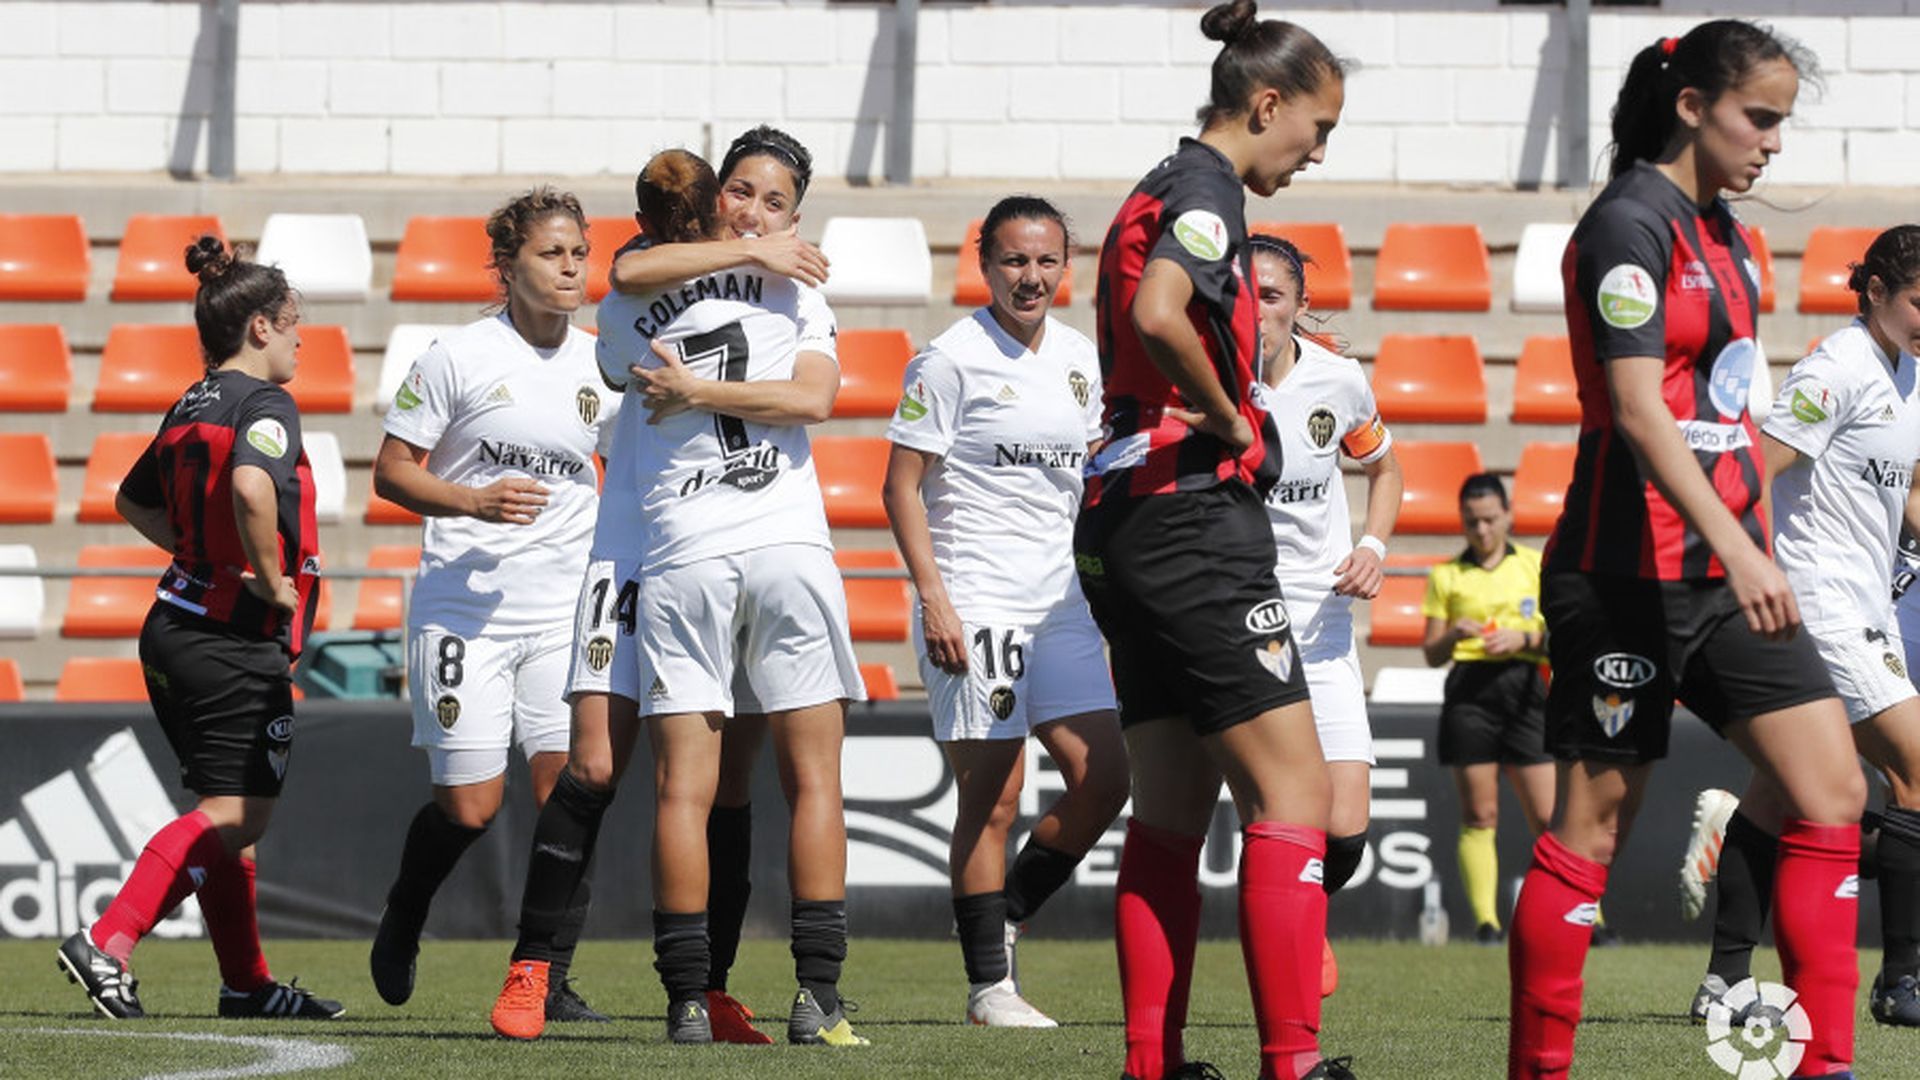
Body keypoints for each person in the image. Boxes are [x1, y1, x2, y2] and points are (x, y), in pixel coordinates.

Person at [1507, 21, 1864, 1080]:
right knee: (1592, 833)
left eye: (1783, 121)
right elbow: (1635, 410)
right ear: (1693, 107)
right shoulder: (1628, 222)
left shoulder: (1728, 236)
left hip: (1724, 573)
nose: (1775, 143)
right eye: (1761, 118)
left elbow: (1725, 410)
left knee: (1833, 793)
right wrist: (1742, 550)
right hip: (1623, 576)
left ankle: (1824, 1065)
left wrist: (1757, 545)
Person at [491, 135, 868, 1050]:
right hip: (639, 549)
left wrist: (697, 384)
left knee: (716, 784)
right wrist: (748, 252)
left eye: (772, 204)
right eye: (738, 193)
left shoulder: (767, 285)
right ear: (709, 201)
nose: (752, 213)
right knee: (596, 766)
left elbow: (633, 291)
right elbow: (628, 273)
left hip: (684, 547)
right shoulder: (703, 275)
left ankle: (704, 990)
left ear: (793, 218)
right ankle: (537, 968)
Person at [1073, 2, 1352, 1077]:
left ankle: (1154, 1064)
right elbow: (1159, 312)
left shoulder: (1158, 184)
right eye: (1318, 129)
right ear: (1268, 104)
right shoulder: (1206, 189)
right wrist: (1235, 418)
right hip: (1188, 512)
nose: (1317, 154)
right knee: (1296, 797)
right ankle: (1293, 1064)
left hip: (1121, 514)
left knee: (1171, 811)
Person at [58, 236, 341, 1021]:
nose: (300, 338)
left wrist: (201, 556)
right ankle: (107, 939)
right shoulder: (265, 404)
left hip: (174, 627)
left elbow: (131, 501)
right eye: (292, 322)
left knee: (227, 816)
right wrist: (271, 580)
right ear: (259, 326)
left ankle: (246, 984)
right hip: (228, 639)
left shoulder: (190, 402)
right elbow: (252, 487)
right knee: (237, 814)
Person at [366, 188, 618, 1024]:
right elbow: (392, 471)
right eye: (552, 254)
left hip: (564, 612)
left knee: (570, 793)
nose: (572, 268)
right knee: (470, 808)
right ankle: (406, 909)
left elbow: (625, 471)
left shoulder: (603, 364)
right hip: (466, 610)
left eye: (580, 253)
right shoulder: (458, 356)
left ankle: (545, 971)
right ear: (508, 265)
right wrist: (472, 502)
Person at [882, 195, 1130, 1027]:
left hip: (1062, 605)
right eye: (1015, 261)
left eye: (1046, 261)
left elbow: (1093, 476)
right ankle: (990, 987)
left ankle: (1008, 911)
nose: (1031, 277)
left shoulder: (1079, 358)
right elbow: (900, 489)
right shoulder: (949, 361)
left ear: (1067, 266)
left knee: (1106, 779)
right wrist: (935, 599)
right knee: (994, 795)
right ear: (984, 263)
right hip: (976, 599)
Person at [1685, 224, 1920, 1029]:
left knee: (1783, 793)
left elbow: (1901, 491)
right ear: (1876, 292)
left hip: (1868, 604)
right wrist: (1737, 565)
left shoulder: (1907, 373)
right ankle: (1902, 981)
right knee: (1915, 769)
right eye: (1919, 300)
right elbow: (1757, 466)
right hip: (1820, 604)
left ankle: (1723, 980)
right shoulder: (1837, 367)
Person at [1246, 234, 1401, 995]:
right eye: (1242, 295)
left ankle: (1303, 914)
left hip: (1322, 621)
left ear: (1299, 305)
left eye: (1272, 296)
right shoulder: (1201, 383)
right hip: (1236, 619)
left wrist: (1372, 545)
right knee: (1275, 811)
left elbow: (1384, 466)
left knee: (1344, 830)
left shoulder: (1338, 381)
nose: (1256, 311)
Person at [1420, 475, 1552, 946]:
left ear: (1508, 515)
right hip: (1470, 694)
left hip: (1526, 690)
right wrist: (1455, 633)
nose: (1482, 530)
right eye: (1472, 521)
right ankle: (1487, 925)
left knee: (1549, 818)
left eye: (1490, 519)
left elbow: (1563, 638)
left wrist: (1524, 638)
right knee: (1480, 813)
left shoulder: (1535, 566)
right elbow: (1431, 653)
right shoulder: (1446, 575)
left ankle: (1586, 919)